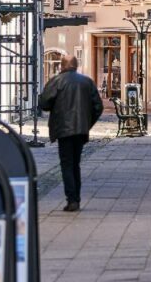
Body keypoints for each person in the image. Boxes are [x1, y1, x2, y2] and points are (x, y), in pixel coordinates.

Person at [38, 55, 103, 212]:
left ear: (62, 66)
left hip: (64, 130)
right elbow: (98, 107)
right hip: (80, 130)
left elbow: (44, 104)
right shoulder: (87, 82)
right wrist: (87, 123)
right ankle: (76, 198)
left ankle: (72, 199)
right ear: (76, 65)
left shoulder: (56, 81)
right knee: (75, 164)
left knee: (67, 164)